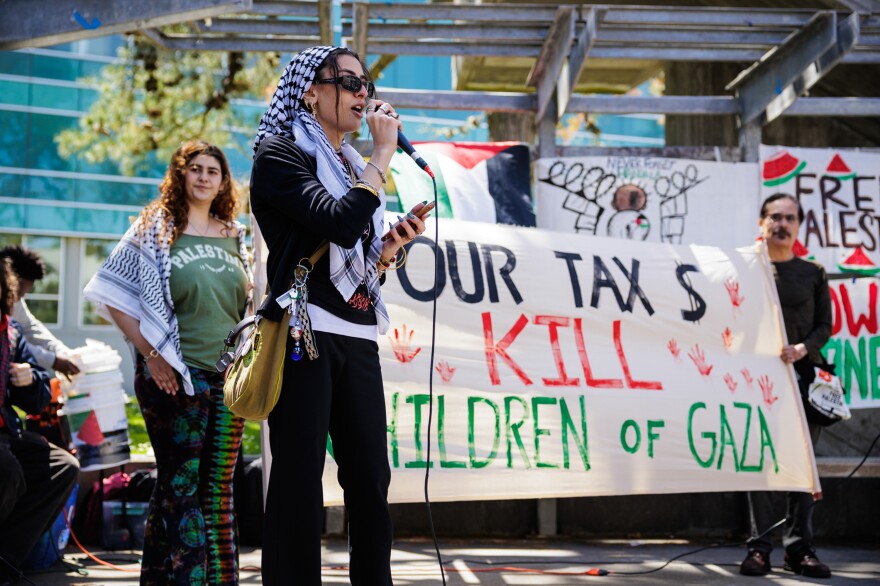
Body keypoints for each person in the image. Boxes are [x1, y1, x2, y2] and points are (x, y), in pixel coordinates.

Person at [250, 45, 430, 585]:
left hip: (356, 333)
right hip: (303, 332)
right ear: (310, 91)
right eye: (348, 82)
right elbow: (339, 221)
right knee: (300, 482)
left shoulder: (353, 166)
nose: (363, 94)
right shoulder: (281, 155)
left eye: (366, 83)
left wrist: (388, 250)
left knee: (371, 478)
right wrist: (382, 155)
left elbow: (356, 252)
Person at [84, 140, 252, 585]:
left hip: (229, 378)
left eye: (212, 171)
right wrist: (152, 355)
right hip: (175, 375)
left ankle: (214, 579)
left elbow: (245, 307)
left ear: (223, 181)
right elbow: (110, 294)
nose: (202, 177)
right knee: (181, 485)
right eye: (194, 168)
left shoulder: (236, 235)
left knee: (218, 490)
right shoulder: (155, 228)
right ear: (180, 175)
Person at [740, 193, 833, 579]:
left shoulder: (813, 272)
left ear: (798, 226)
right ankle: (759, 549)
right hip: (756, 384)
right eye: (775, 217)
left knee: (802, 466)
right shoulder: (745, 271)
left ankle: (799, 550)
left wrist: (802, 349)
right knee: (759, 465)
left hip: (804, 383)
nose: (782, 224)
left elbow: (825, 327)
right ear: (762, 223)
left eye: (789, 218)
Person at [0, 257, 80, 586]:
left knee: (63, 467)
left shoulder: (10, 331)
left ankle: (4, 560)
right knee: (7, 470)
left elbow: (39, 395)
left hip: (5, 433)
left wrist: (29, 379)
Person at [0, 245, 80, 379]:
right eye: (19, 292)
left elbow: (31, 328)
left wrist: (62, 352)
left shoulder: (16, 302)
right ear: (8, 281)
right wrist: (54, 361)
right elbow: (18, 347)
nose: (19, 298)